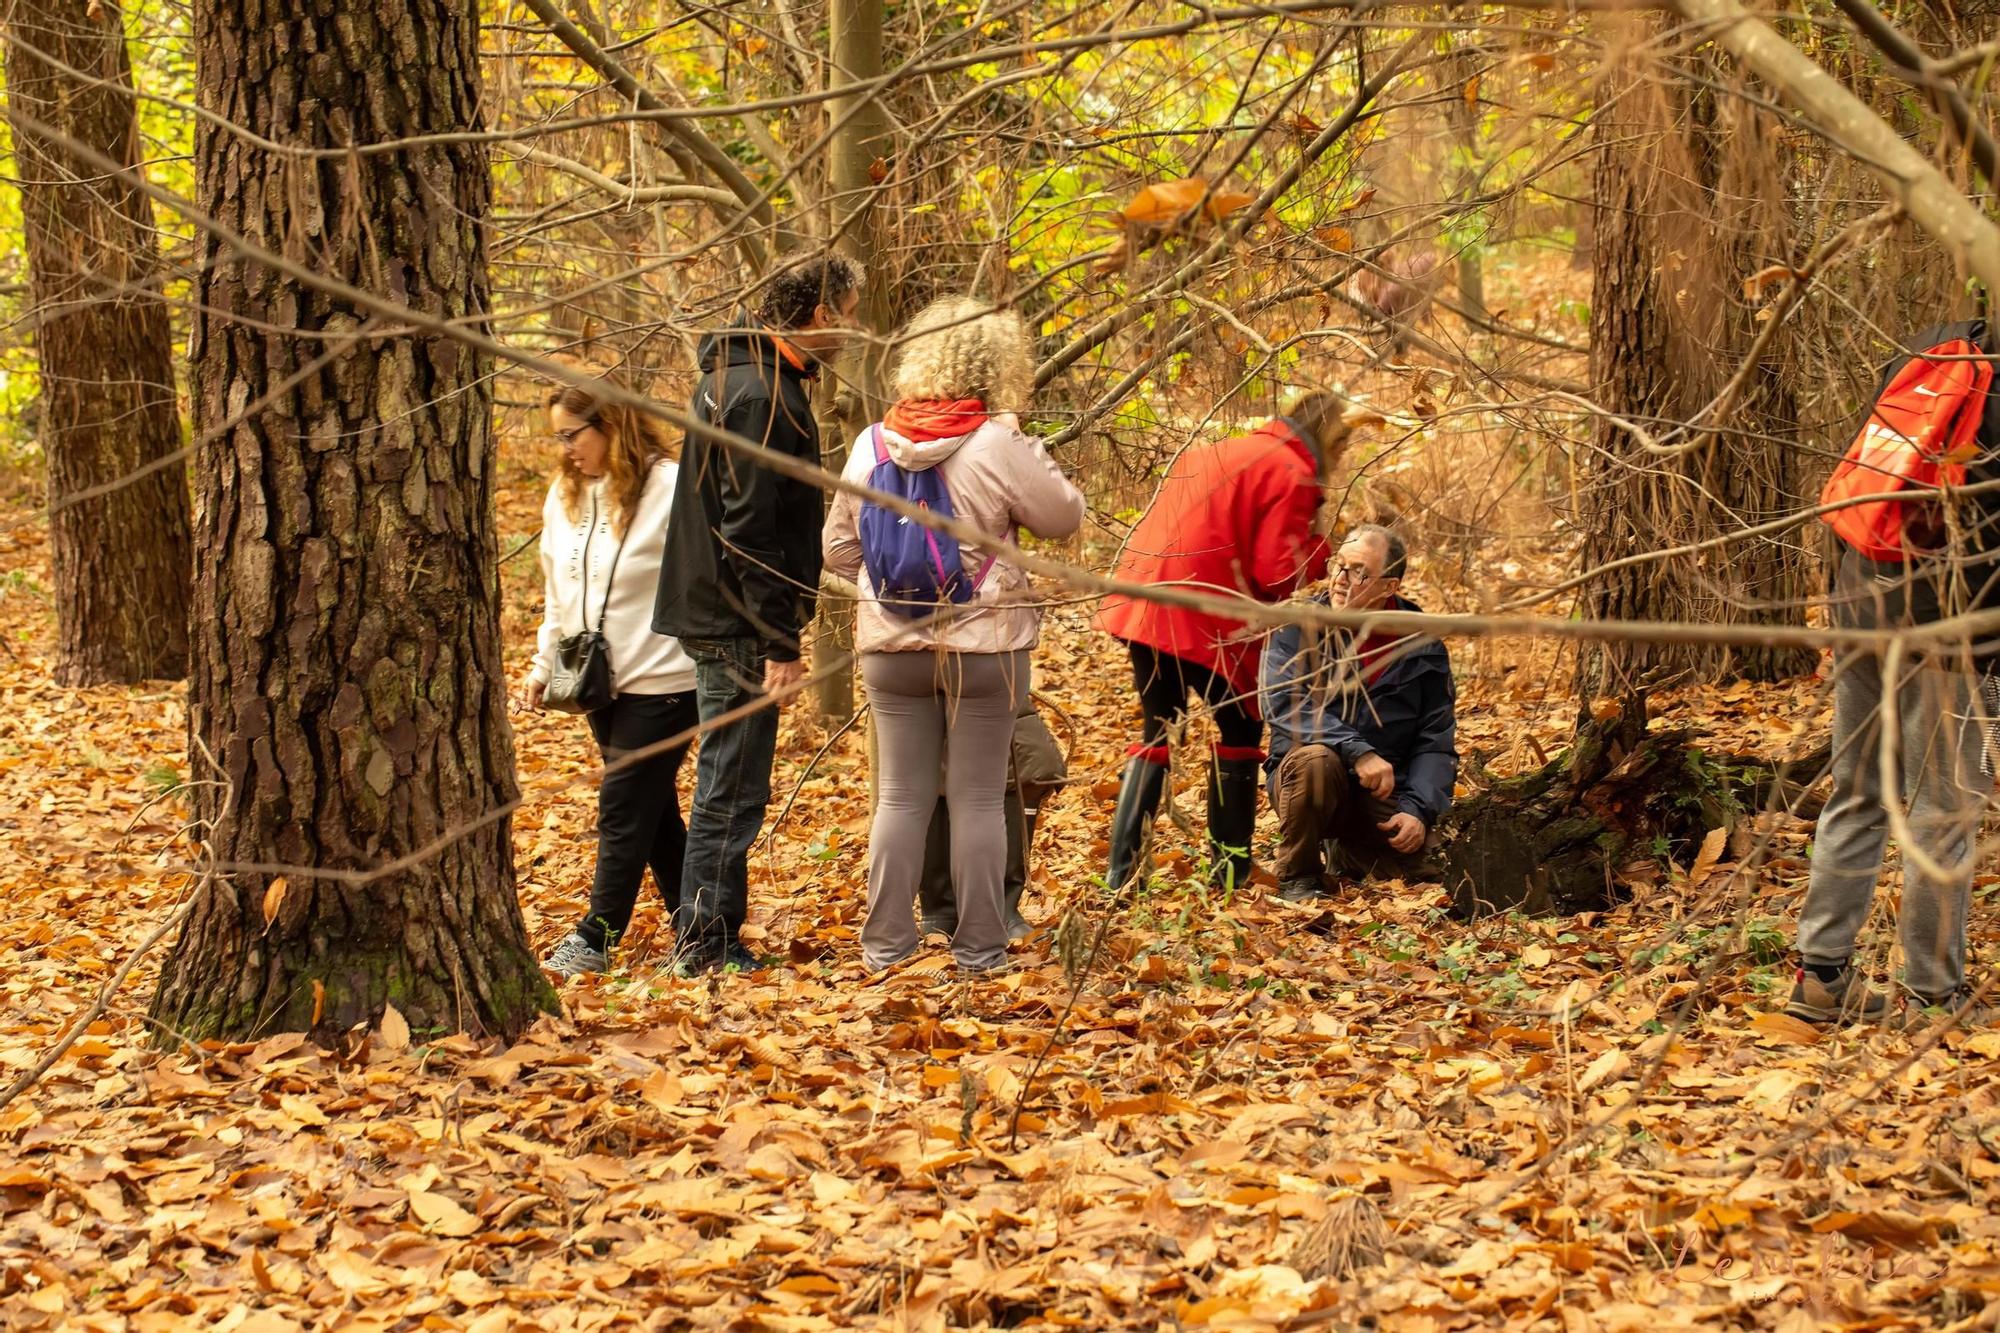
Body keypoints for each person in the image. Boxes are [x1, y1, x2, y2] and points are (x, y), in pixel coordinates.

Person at [823, 296, 1085, 974]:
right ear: (992, 363)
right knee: (975, 797)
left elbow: (837, 551)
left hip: (889, 649)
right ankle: (979, 948)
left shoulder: (871, 444)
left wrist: (891, 592)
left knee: (901, 796)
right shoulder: (996, 443)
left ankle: (885, 944)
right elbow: (1062, 517)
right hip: (984, 649)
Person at [1788, 320, 2000, 1028]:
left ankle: (1819, 976)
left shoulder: (1932, 346)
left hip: (1862, 602)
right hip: (1948, 629)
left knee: (1859, 792)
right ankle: (1935, 996)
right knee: (1944, 813)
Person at [654, 257, 861, 975]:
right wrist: (778, 638)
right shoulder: (756, 393)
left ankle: (703, 932)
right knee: (732, 783)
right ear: (819, 314)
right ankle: (704, 943)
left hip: (727, 611)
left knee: (729, 779)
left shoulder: (744, 379)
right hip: (735, 618)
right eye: (849, 311)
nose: (855, 327)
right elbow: (747, 527)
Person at [1094, 390, 1353, 890]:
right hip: (1207, 620)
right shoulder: (1290, 472)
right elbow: (1277, 572)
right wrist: (1323, 552)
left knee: (1158, 730)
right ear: (1329, 440)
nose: (1341, 460)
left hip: (1145, 603)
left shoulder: (1215, 451)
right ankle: (1229, 870)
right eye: (1341, 449)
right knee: (1240, 731)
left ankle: (1120, 875)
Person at [520, 372, 697, 977]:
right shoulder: (565, 495)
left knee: (623, 805)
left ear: (612, 424)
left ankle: (596, 935)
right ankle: (698, 924)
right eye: (558, 438)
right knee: (652, 810)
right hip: (596, 681)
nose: (566, 449)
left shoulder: (673, 489)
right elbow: (557, 591)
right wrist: (544, 664)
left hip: (667, 679)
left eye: (573, 434)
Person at [1259, 524, 1458, 902]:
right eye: (1339, 565)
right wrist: (1358, 751)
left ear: (1389, 587)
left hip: (1383, 792)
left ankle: (1351, 853)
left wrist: (1417, 809)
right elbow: (1283, 705)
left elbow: (1435, 741)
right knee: (1317, 761)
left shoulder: (1423, 645)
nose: (1340, 579)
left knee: (1446, 866)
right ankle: (1299, 877)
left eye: (1359, 572)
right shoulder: (1297, 628)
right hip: (1307, 784)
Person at [917, 688, 1068, 943]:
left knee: (1034, 765)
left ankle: (970, 910)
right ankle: (971, 911)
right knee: (1026, 763)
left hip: (983, 671)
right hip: (964, 668)